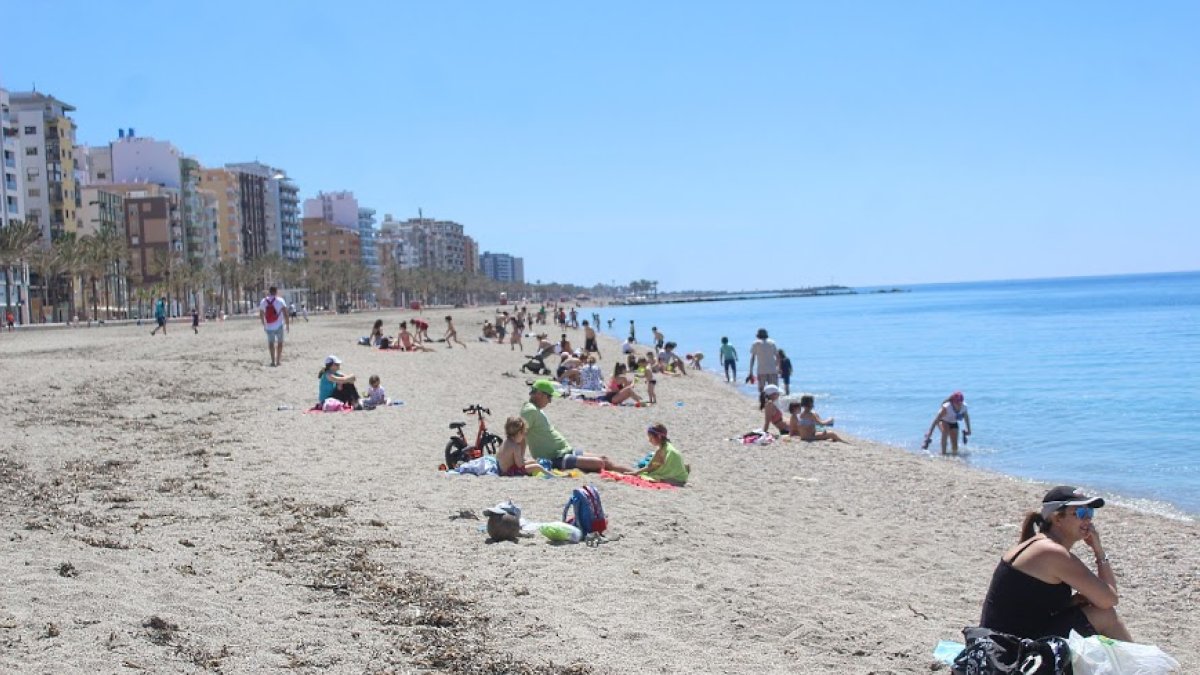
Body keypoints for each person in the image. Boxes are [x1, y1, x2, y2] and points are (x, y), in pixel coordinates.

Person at [977, 486, 1131, 641]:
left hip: (1005, 640)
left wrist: (1071, 602)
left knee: (1089, 607)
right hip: (1009, 650)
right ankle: (1137, 665)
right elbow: (1109, 599)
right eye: (1081, 513)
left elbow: (1026, 610)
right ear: (1057, 518)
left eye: (1090, 513)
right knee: (1105, 615)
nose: (1088, 519)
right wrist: (1099, 552)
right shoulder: (1052, 552)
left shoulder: (1038, 544)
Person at [520, 380, 633, 473]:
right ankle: (635, 474)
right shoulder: (530, 411)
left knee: (604, 459)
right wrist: (519, 460)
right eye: (549, 397)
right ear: (539, 394)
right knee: (600, 463)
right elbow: (520, 435)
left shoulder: (535, 409)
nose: (550, 401)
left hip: (565, 451)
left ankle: (636, 473)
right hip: (555, 458)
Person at [748, 328, 779, 409]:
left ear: (758, 336)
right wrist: (777, 367)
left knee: (762, 390)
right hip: (772, 370)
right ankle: (773, 405)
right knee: (773, 389)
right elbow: (778, 357)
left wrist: (750, 371)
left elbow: (753, 358)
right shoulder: (772, 343)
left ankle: (763, 405)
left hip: (761, 370)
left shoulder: (756, 343)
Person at [259, 286, 290, 366]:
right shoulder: (280, 300)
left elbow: (261, 314)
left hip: (269, 326)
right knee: (280, 343)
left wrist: (264, 324)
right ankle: (278, 361)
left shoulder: (263, 301)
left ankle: (273, 361)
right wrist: (287, 324)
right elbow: (286, 313)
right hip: (279, 325)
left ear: (269, 292)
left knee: (271, 343)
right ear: (276, 292)